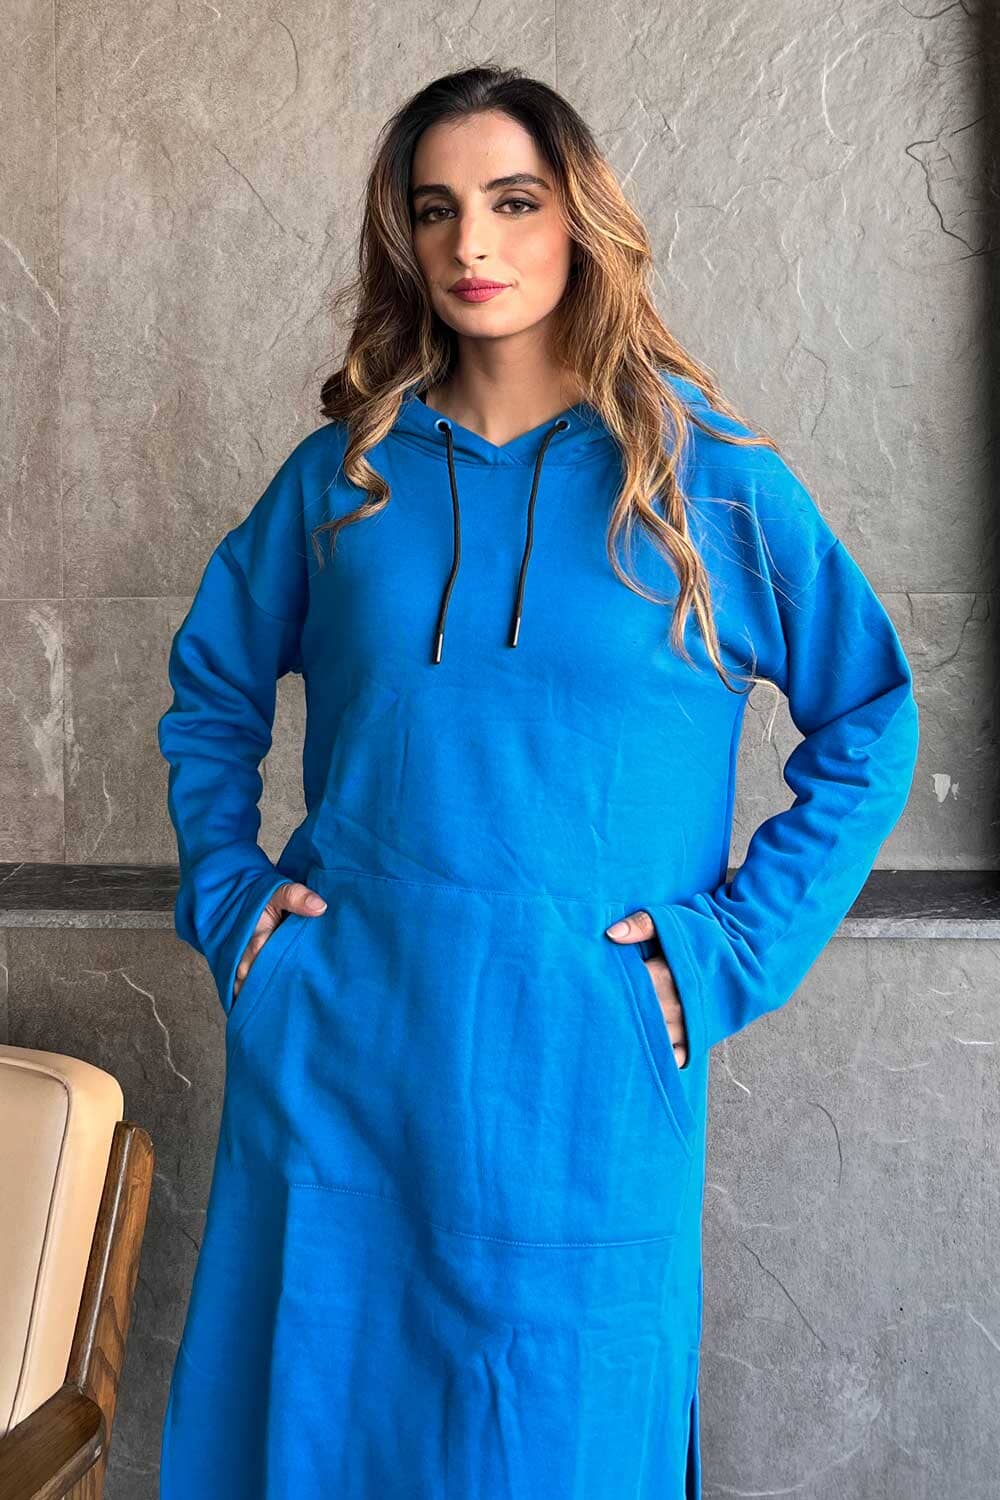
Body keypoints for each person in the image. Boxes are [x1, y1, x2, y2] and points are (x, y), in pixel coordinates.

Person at [156, 63, 920, 1500]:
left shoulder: (703, 480)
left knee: (567, 1448)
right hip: (344, 1058)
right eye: (435, 209)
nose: (473, 244)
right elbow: (212, 690)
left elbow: (872, 714)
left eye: (513, 202)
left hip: (585, 1071)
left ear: (581, 220)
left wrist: (733, 950)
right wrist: (232, 901)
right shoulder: (345, 480)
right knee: (326, 1443)